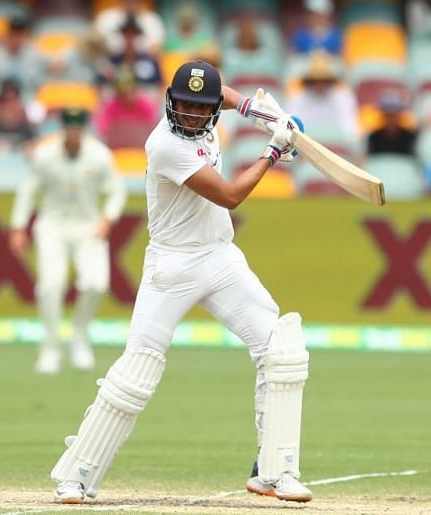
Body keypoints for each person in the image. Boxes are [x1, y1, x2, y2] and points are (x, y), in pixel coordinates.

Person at [49, 61, 313, 505]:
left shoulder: (210, 106)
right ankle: (77, 475)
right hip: (172, 268)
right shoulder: (165, 145)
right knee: (137, 371)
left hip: (220, 257)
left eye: (201, 107)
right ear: (170, 102)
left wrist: (257, 110)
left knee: (281, 348)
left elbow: (225, 94)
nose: (192, 115)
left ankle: (275, 471)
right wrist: (273, 151)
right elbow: (230, 195)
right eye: (184, 105)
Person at [9, 107, 127, 375]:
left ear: (83, 129)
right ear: (62, 129)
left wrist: (108, 218)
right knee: (51, 284)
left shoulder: (99, 156)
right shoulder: (45, 156)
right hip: (52, 226)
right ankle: (50, 348)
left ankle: (79, 338)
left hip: (89, 226)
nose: (73, 133)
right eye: (69, 128)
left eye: (77, 128)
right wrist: (18, 227)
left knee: (96, 283)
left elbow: (116, 191)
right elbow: (28, 191)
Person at [366, 90, 417, 156]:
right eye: (388, 115)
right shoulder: (374, 137)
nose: (391, 119)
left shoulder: (409, 137)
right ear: (383, 116)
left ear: (399, 116)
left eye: (393, 115)